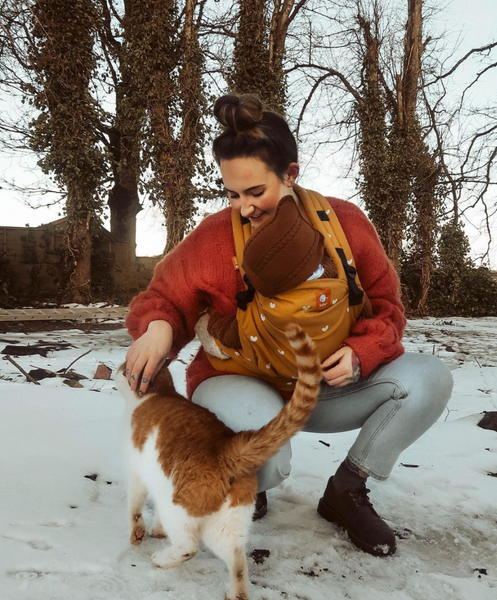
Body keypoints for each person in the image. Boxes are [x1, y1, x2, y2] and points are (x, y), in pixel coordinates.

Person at [125, 93, 453, 558]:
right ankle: (249, 485)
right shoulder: (215, 236)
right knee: (264, 454)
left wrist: (363, 353)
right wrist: (158, 326)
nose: (243, 207)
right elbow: (163, 298)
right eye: (232, 194)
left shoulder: (345, 223)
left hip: (324, 388)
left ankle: (346, 490)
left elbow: (386, 306)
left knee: (429, 379)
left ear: (291, 174)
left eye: (255, 192)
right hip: (239, 384)